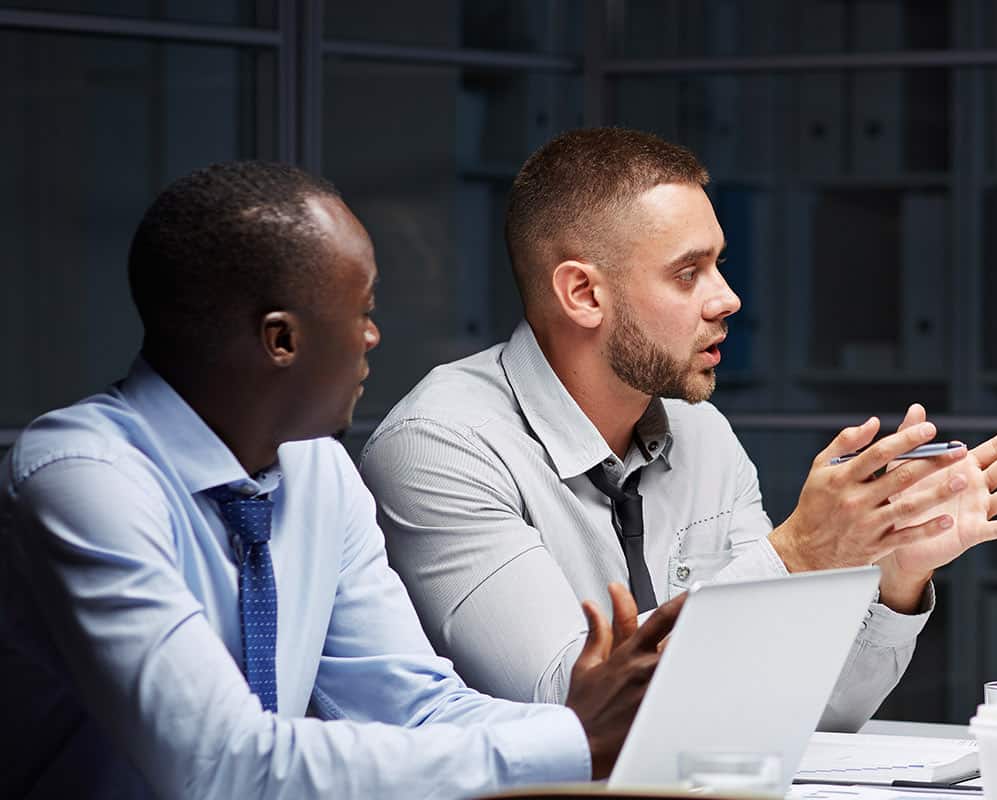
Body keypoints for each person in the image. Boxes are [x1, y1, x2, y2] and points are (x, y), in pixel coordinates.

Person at [0, 162, 681, 798]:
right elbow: (218, 764)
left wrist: (598, 722)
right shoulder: (84, 478)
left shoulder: (316, 467)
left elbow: (411, 706)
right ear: (281, 340)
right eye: (363, 308)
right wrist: (570, 739)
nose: (374, 336)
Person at [359, 128, 997, 726]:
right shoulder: (440, 446)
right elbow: (572, 704)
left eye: (716, 264)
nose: (727, 298)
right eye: (688, 273)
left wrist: (895, 575)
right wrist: (797, 556)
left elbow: (813, 709)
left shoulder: (703, 435)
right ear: (582, 293)